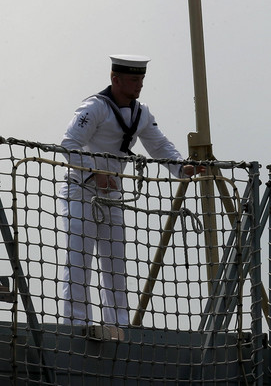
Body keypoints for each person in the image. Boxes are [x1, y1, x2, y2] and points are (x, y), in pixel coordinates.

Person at [58, 55, 198, 328]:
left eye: (141, 80)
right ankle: (76, 321)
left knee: (115, 257)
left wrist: (182, 168)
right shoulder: (95, 108)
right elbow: (69, 142)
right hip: (81, 189)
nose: (139, 85)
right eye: (134, 80)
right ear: (115, 79)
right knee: (79, 255)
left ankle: (118, 321)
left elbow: (159, 145)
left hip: (112, 192)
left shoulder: (141, 113)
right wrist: (93, 172)